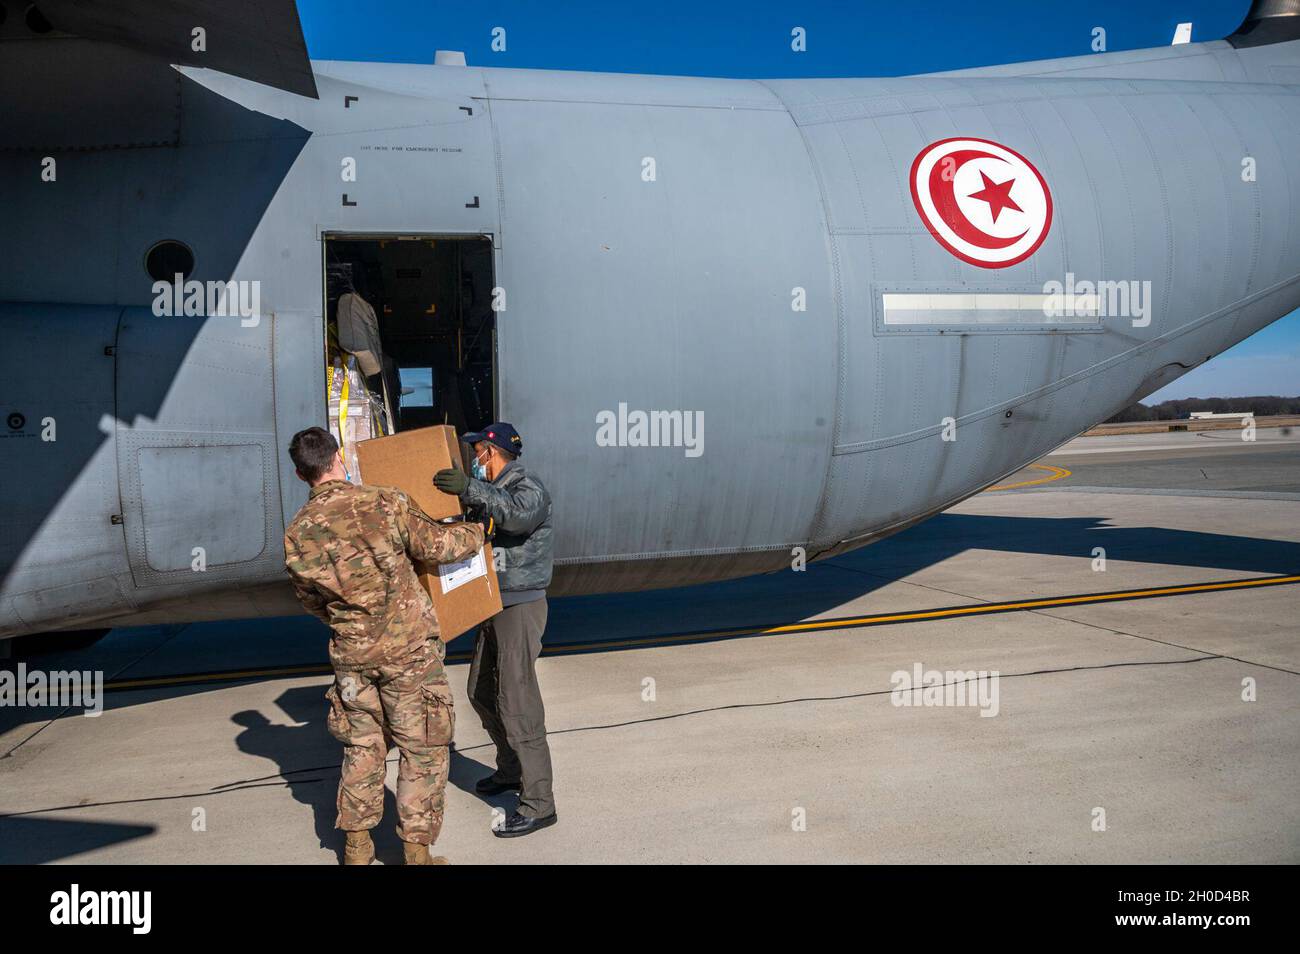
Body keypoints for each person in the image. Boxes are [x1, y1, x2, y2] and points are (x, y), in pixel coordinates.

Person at [283, 426, 484, 865]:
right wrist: (478, 532)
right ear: (338, 457)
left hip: (351, 658)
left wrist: (352, 625)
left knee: (363, 747)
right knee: (423, 748)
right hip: (407, 654)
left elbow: (312, 602)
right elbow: (437, 545)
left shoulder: (298, 532)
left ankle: (356, 848)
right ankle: (416, 853)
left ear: (301, 474)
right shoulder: (383, 501)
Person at [433, 422, 557, 838]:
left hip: (520, 603)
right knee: (481, 691)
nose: (473, 460)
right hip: (492, 601)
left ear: (491, 452)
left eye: (476, 452)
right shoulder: (491, 489)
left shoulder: (527, 486)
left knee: (516, 699)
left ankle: (540, 803)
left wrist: (470, 488)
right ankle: (510, 769)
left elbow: (518, 518)